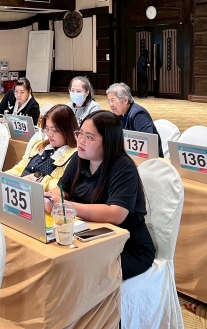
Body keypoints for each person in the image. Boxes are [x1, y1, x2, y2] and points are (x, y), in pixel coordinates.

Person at [44, 111, 155, 280]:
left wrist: (67, 206)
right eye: (80, 133)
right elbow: (62, 189)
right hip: (90, 235)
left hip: (127, 246)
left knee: (76, 272)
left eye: (89, 137)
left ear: (108, 141)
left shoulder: (124, 167)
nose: (81, 140)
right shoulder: (79, 157)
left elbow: (115, 214)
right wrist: (52, 198)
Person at [6, 105, 78, 191]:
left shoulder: (75, 156)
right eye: (47, 129)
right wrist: (3, 177)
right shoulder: (38, 144)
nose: (49, 134)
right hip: (19, 191)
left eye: (54, 130)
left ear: (68, 130)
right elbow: (19, 168)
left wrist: (36, 179)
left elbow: (64, 186)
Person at [106, 83, 163, 157]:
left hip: (149, 159)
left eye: (113, 100)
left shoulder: (139, 115)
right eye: (109, 101)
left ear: (125, 100)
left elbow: (148, 142)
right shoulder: (118, 115)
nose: (110, 105)